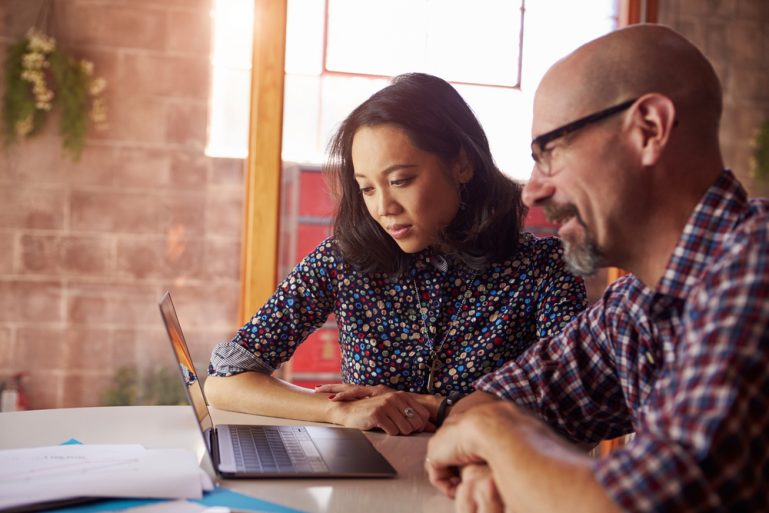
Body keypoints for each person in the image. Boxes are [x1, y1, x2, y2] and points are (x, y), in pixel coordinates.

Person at [425, 24, 769, 512]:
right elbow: (488, 401)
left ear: (648, 129)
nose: (531, 191)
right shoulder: (634, 305)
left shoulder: (757, 262)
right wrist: (489, 455)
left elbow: (649, 504)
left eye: (550, 154)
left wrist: (496, 438)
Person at [205, 72, 587, 436]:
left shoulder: (543, 267)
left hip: (487, 487)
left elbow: (575, 413)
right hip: (366, 488)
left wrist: (437, 407)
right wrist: (337, 410)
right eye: (367, 188)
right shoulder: (345, 259)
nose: (384, 206)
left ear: (462, 164)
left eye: (400, 181)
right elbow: (224, 382)